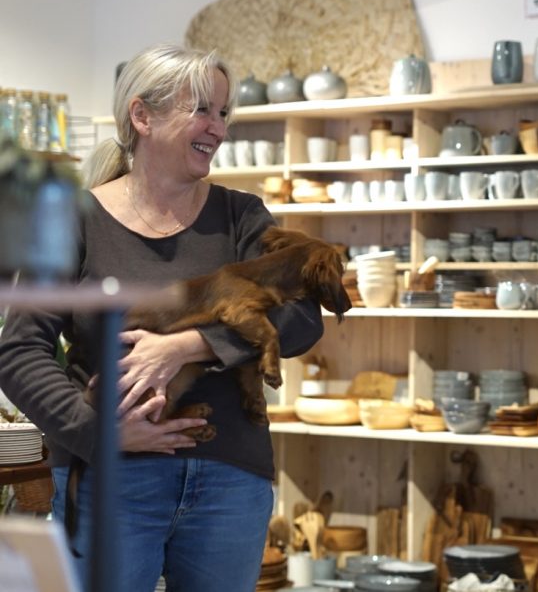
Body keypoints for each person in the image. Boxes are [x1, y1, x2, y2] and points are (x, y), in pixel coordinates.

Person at [0, 44, 324, 591]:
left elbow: (301, 317)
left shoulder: (240, 217)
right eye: (202, 110)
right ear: (142, 116)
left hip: (230, 480)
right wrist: (100, 432)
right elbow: (18, 351)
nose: (217, 128)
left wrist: (191, 344)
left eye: (224, 113)